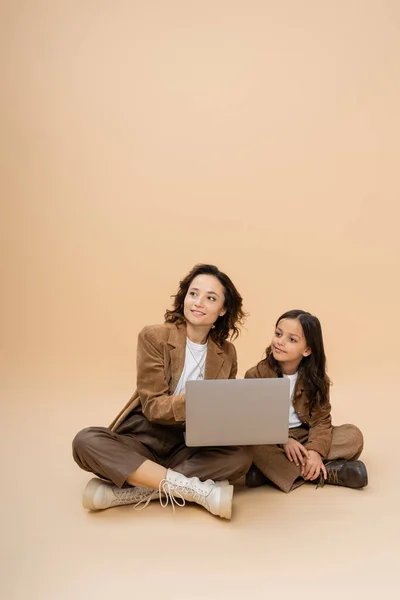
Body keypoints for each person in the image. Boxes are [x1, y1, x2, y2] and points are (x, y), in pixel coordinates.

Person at [73, 264, 252, 519]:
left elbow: (218, 412)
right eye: (193, 294)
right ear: (184, 298)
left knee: (242, 456)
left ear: (223, 310)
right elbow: (154, 407)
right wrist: (200, 401)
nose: (198, 302)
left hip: (189, 442)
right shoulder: (154, 336)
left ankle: (139, 488)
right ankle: (193, 489)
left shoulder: (227, 353)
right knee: (85, 441)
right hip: (144, 437)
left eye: (210, 298)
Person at [245, 309, 368, 492]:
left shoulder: (317, 380)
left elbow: (321, 421)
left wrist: (315, 451)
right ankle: (325, 472)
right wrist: (283, 439)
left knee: (353, 436)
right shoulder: (255, 375)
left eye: (291, 339)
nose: (280, 341)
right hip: (271, 439)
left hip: (304, 436)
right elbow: (254, 421)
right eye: (278, 334)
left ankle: (270, 472)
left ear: (307, 350)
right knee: (249, 445)